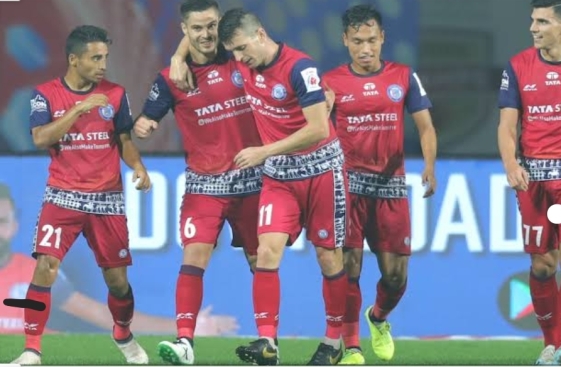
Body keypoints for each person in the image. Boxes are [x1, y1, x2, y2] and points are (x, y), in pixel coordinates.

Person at [170, 7, 349, 365]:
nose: (237, 59)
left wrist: (263, 150)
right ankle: (268, 342)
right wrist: (177, 56)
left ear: (261, 35)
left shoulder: (301, 68)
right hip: (279, 177)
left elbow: (317, 128)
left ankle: (333, 342)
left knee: (329, 258)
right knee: (266, 252)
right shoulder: (245, 62)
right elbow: (198, 33)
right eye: (232, 51)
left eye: (240, 49)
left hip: (321, 172)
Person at [11, 25, 152, 365]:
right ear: (74, 59)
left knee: (117, 282)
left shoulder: (116, 95)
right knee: (45, 266)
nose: (103, 64)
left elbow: (125, 141)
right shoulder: (43, 94)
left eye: (105, 57)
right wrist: (77, 109)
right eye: (95, 58)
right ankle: (31, 349)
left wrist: (138, 166)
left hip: (106, 201)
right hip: (62, 197)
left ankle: (122, 331)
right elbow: (41, 138)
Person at [134, 0, 263, 364]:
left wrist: (179, 53)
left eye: (211, 26)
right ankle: (185, 342)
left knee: (262, 262)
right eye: (196, 28)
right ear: (184, 31)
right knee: (195, 255)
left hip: (253, 181)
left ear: (220, 24)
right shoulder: (172, 79)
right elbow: (148, 119)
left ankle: (268, 340)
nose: (205, 34)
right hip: (205, 186)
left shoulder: (240, 57)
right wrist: (143, 126)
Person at [322, 4, 437, 365]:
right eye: (358, 41)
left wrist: (430, 166)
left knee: (395, 276)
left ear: (383, 37)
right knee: (350, 268)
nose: (366, 48)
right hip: (348, 186)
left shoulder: (404, 76)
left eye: (372, 40)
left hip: (391, 187)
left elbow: (426, 126)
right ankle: (352, 347)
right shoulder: (331, 82)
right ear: (345, 41)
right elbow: (313, 131)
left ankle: (378, 318)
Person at [497, 0, 561, 365]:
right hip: (534, 177)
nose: (533, 28)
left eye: (542, 21)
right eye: (532, 20)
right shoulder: (517, 66)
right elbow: (507, 126)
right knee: (543, 264)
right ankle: (549, 343)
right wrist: (511, 165)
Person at [0, 183, 239, 337]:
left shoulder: (36, 272)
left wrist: (188, 328)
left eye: (2, 221)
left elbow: (106, 317)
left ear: (14, 226)